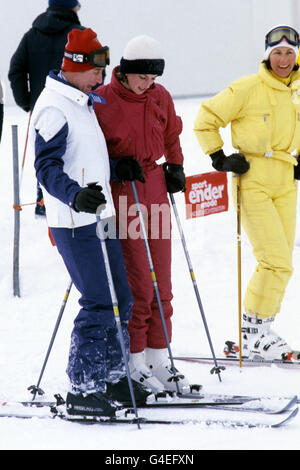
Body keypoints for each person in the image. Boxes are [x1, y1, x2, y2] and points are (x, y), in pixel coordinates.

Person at [31, 28, 151, 418]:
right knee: (99, 302)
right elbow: (46, 167)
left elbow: (84, 157)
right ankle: (83, 386)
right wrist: (74, 194)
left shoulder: (82, 102)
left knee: (122, 298)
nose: (102, 77)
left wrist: (117, 167)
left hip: (100, 216)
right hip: (74, 222)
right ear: (76, 67)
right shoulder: (54, 107)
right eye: (96, 70)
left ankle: (113, 376)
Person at [194, 25, 300, 361]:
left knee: (282, 265)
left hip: (285, 179)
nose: (283, 59)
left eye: (289, 53)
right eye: (277, 53)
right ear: (267, 55)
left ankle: (260, 330)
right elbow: (206, 117)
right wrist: (220, 157)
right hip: (252, 179)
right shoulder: (248, 87)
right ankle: (254, 333)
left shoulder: (297, 89)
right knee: (275, 260)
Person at [94, 35, 191, 394]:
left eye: (153, 79)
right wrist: (116, 166)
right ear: (127, 70)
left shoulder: (160, 96)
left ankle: (159, 356)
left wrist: (176, 166)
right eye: (142, 78)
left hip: (155, 190)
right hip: (127, 194)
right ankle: (134, 360)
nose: (148, 85)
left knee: (162, 283)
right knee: (139, 285)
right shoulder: (103, 99)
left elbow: (172, 135)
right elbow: (92, 150)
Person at [8, 0, 83, 217]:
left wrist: (27, 101)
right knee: (74, 153)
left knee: (46, 153)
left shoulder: (32, 35)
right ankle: (72, 200)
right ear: (71, 7)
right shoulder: (78, 35)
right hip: (73, 107)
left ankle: (44, 201)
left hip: (41, 109)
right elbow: (96, 71)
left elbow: (16, 70)